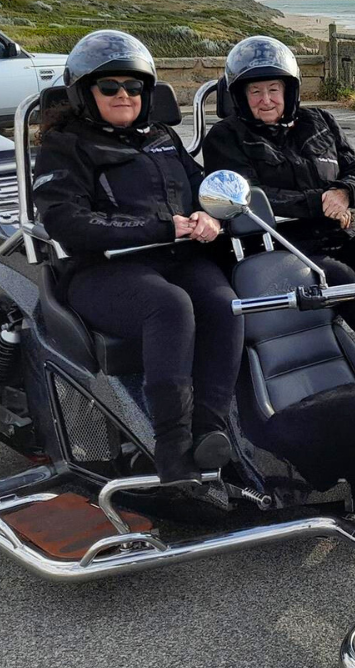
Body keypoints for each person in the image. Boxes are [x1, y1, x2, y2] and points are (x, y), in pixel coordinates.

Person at [33, 30, 243, 482]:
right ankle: (173, 450)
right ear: (84, 93)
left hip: (175, 258)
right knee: (169, 306)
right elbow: (65, 221)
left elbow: (203, 188)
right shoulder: (64, 145)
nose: (123, 95)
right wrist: (161, 227)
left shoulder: (162, 137)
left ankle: (211, 431)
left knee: (226, 302)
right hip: (101, 269)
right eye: (109, 87)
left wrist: (210, 218)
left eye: (133, 87)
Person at [202, 36, 355, 370]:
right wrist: (320, 203)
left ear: (289, 90)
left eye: (273, 89)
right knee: (337, 275)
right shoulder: (226, 137)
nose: (266, 100)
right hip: (284, 244)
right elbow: (247, 197)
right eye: (255, 91)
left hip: (340, 232)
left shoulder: (320, 121)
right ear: (240, 94)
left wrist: (343, 193)